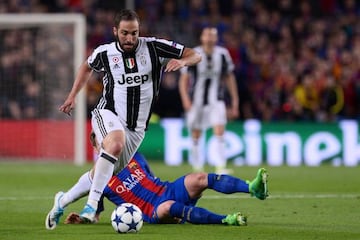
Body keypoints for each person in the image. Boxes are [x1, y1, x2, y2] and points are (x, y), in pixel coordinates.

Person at [48, 9, 201, 228]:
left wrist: (183, 62)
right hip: (108, 113)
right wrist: (72, 96)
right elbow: (86, 67)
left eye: (134, 33)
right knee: (116, 143)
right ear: (115, 31)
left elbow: (195, 54)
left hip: (137, 128)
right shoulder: (105, 53)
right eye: (124, 33)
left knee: (103, 171)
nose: (130, 38)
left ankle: (62, 200)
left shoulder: (154, 47)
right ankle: (91, 207)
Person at [178, 27, 239, 174]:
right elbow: (184, 79)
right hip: (196, 101)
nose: (210, 38)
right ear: (202, 37)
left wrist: (235, 101)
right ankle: (197, 167)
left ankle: (220, 166)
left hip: (216, 100)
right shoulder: (194, 53)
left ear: (216, 38)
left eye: (213, 35)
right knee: (196, 134)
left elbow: (229, 77)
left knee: (220, 130)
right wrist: (185, 98)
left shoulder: (223, 54)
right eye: (207, 35)